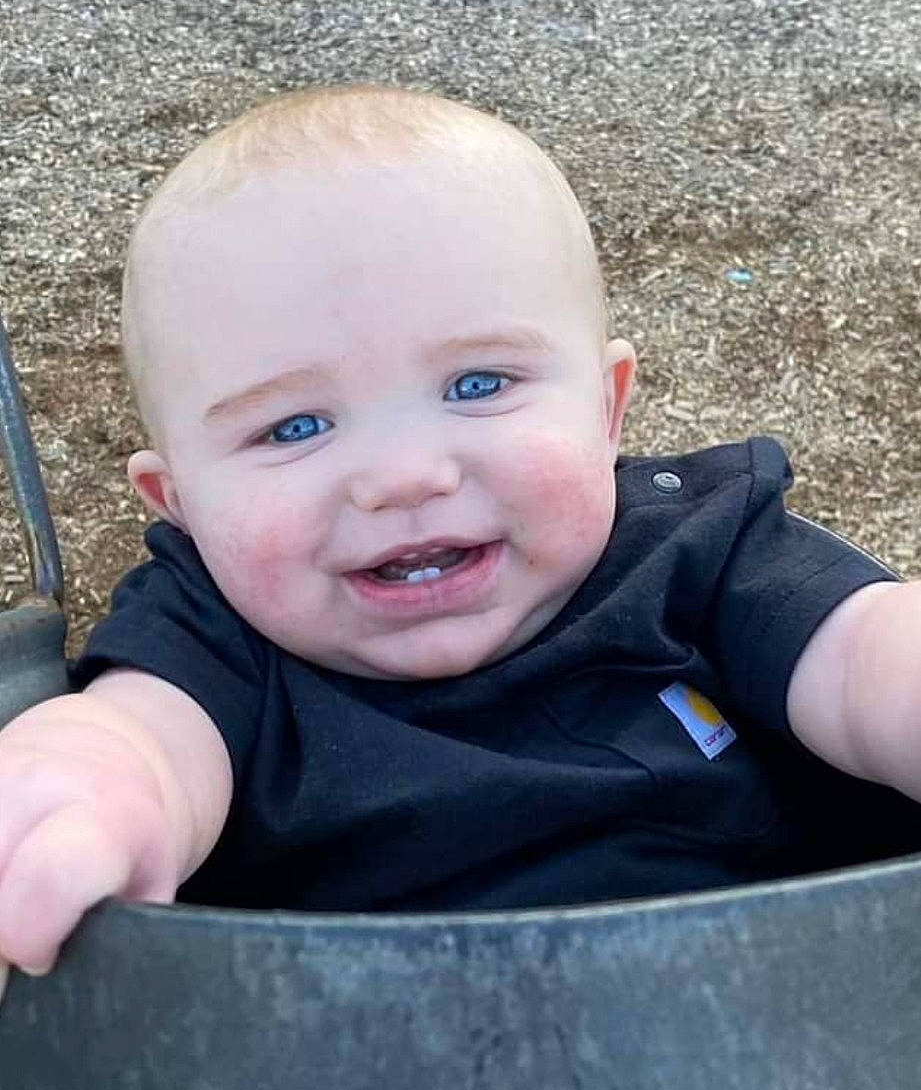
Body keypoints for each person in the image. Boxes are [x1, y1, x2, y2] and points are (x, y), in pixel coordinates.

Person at [1, 80, 920, 988]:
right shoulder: (212, 639)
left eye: (477, 385)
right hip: (345, 1086)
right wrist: (80, 792)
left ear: (606, 411)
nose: (406, 475)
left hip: (770, 1043)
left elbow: (861, 659)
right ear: (181, 504)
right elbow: (143, 746)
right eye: (293, 427)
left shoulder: (700, 553)